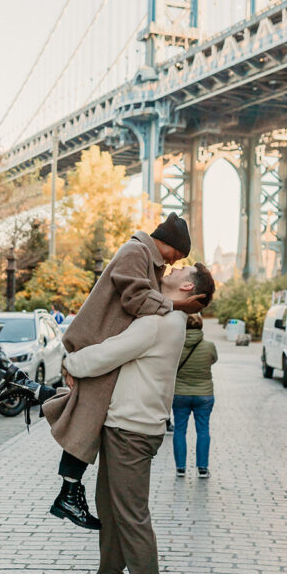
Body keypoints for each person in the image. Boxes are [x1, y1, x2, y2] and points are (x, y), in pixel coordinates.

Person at [62, 262, 216, 574]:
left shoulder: (159, 321)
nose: (173, 267)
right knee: (111, 510)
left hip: (131, 430)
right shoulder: (168, 319)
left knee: (131, 515)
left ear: (187, 285)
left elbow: (109, 352)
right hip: (127, 425)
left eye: (182, 268)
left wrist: (69, 362)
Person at [44, 213, 205, 530]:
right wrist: (178, 306)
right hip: (94, 338)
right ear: (169, 244)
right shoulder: (135, 252)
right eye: (178, 255)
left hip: (105, 340)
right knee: (87, 409)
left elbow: (148, 300)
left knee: (87, 409)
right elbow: (134, 299)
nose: (174, 263)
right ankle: (68, 491)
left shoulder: (150, 259)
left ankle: (68, 489)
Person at [172, 314, 218, 479]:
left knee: (179, 430)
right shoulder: (209, 346)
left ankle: (180, 468)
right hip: (204, 394)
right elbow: (213, 360)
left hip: (180, 394)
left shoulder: (176, 346)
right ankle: (203, 468)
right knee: (203, 430)